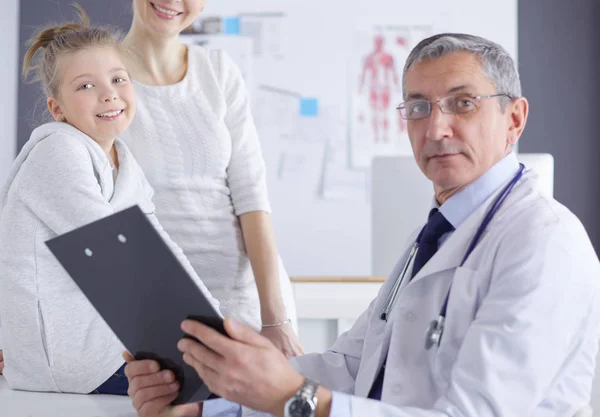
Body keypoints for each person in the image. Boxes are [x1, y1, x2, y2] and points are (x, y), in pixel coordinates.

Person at [124, 33, 600, 417]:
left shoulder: (544, 243)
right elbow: (353, 367)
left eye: (462, 103)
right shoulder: (436, 236)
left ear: (513, 119)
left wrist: (291, 398)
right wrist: (209, 397)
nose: (435, 129)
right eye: (418, 107)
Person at [0, 5, 219, 395]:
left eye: (118, 79)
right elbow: (116, 255)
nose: (109, 95)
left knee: (232, 383)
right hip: (67, 358)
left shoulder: (125, 163)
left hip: (106, 343)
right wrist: (207, 346)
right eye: (85, 86)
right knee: (217, 390)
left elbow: (162, 249)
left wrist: (219, 326)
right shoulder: (59, 152)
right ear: (58, 109)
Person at [117, 0, 302, 357]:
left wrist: (276, 321)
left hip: (248, 311)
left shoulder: (218, 71)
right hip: (158, 316)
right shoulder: (101, 79)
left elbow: (252, 197)